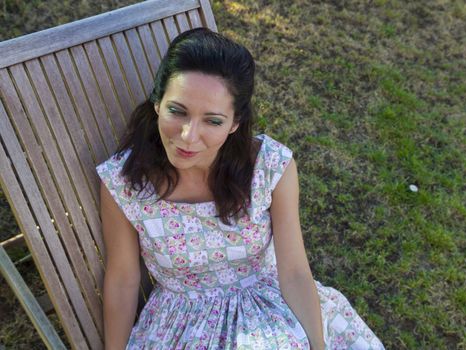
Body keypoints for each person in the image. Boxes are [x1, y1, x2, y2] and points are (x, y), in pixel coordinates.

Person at [97, 27, 384, 350]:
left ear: (235, 123)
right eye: (177, 111)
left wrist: (318, 345)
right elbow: (122, 280)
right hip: (181, 326)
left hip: (268, 308)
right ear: (157, 103)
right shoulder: (126, 183)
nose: (189, 136)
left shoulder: (270, 168)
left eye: (213, 121)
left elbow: (293, 272)